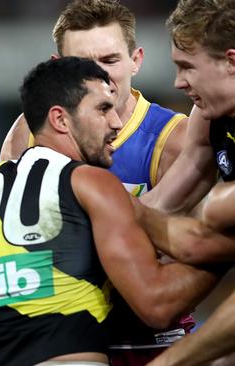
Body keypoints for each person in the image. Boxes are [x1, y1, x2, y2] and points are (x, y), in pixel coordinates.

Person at [0, 56, 223, 366]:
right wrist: (226, 252)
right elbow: (157, 305)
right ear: (61, 119)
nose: (117, 122)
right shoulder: (91, 184)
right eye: (104, 109)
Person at [0, 1, 197, 363]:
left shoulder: (173, 139)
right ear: (59, 67)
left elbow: (188, 250)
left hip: (148, 346)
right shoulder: (26, 134)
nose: (100, 78)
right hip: (60, 347)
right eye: (85, 65)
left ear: (136, 59)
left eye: (110, 61)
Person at [127, 1, 235, 364]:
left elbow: (217, 215)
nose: (178, 82)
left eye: (187, 67)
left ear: (232, 62)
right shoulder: (209, 115)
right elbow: (160, 207)